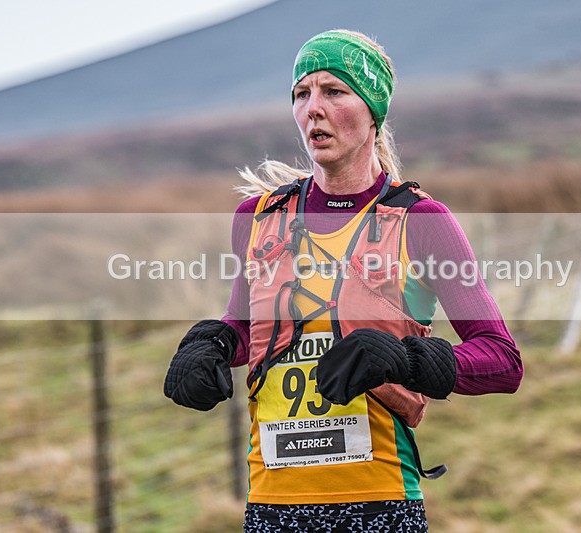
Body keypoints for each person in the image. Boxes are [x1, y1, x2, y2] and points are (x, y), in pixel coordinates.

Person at [164, 29, 522, 532]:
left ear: (372, 107)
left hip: (380, 502)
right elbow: (248, 327)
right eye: (301, 93)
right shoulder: (257, 217)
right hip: (273, 504)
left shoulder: (421, 220)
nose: (313, 108)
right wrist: (213, 343)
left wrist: (408, 360)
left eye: (334, 91)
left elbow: (502, 359)